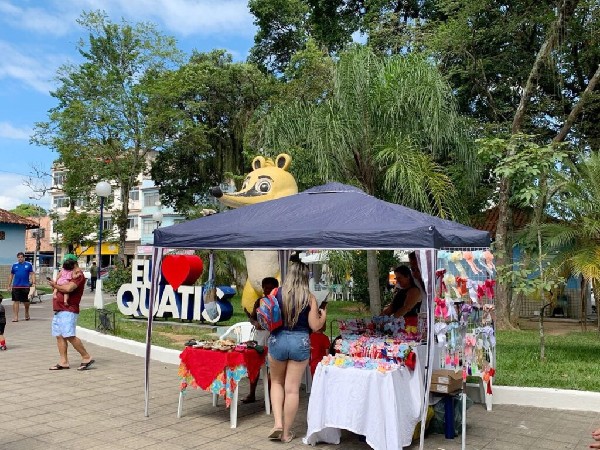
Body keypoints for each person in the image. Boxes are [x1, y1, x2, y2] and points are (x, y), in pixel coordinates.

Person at [267, 257, 326, 443]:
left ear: (289, 275)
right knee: (292, 389)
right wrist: (323, 316)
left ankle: (277, 424)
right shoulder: (309, 298)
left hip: (278, 339)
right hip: (300, 341)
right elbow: (315, 326)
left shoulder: (276, 292)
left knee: (276, 382)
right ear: (305, 277)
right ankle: (286, 433)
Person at [47, 255, 94, 371]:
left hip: (68, 309)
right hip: (59, 309)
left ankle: (86, 357)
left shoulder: (78, 275)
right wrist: (55, 285)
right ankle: (63, 362)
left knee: (69, 335)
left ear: (74, 264)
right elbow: (59, 287)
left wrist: (55, 285)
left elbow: (68, 289)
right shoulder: (66, 272)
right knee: (59, 336)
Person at [243, 276, 279, 404]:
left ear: (275, 289)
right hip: (259, 336)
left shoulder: (278, 302)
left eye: (270, 288)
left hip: (273, 336)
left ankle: (270, 397)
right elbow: (252, 318)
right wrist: (255, 323)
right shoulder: (259, 301)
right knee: (255, 366)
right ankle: (252, 394)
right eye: (265, 288)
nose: (267, 291)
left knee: (272, 368)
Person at [8, 251, 35, 322]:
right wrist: (9, 285)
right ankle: (15, 317)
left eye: (21, 257)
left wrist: (34, 283)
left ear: (24, 258)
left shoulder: (28, 265)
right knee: (15, 301)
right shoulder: (14, 265)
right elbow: (11, 275)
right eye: (18, 257)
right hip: (16, 286)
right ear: (17, 258)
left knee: (26, 302)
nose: (20, 258)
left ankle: (26, 312)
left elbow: (32, 274)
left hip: (25, 286)